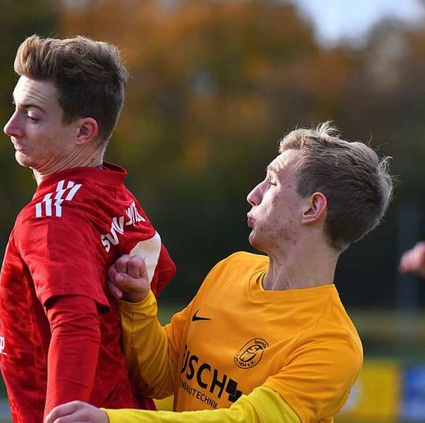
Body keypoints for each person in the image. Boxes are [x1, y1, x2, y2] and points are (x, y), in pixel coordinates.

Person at [45, 122, 394, 423]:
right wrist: (139, 305)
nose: (252, 194)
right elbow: (163, 376)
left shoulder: (332, 345)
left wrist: (110, 420)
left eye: (271, 183)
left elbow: (241, 420)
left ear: (312, 208)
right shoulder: (232, 269)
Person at [0, 34, 177, 423]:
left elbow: (75, 322)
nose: (10, 127)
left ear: (83, 132)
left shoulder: (50, 215)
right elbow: (159, 270)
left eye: (32, 116)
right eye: (15, 108)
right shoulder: (115, 194)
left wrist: (63, 412)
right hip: (123, 406)